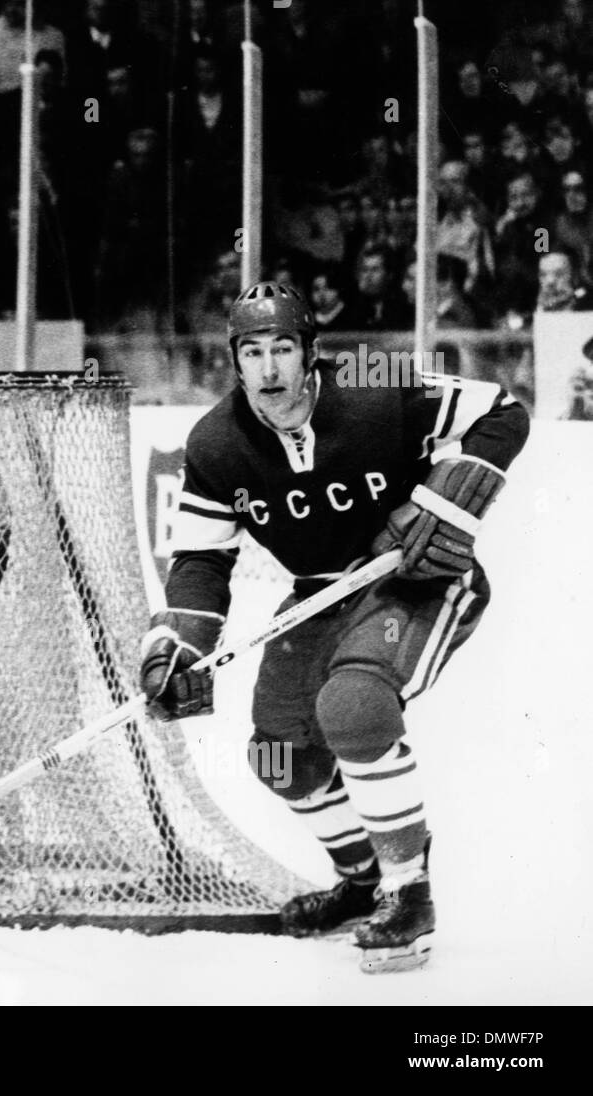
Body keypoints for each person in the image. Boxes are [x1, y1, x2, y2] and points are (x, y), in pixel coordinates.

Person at [139, 282, 529, 973]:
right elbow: (201, 558)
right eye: (252, 352)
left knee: (353, 705)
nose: (269, 370)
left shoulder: (373, 383)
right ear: (236, 361)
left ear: (312, 353)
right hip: (320, 595)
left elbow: (501, 411)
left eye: (283, 348)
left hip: (417, 580)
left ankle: (409, 894)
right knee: (277, 756)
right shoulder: (215, 443)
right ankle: (363, 881)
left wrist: (442, 505)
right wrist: (177, 645)